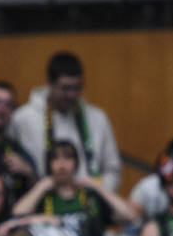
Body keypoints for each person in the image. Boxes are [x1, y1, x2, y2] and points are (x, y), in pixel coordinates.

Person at [11, 140, 139, 236]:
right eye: (55, 158)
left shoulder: (90, 198)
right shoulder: (44, 199)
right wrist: (41, 186)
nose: (61, 164)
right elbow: (17, 214)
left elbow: (130, 215)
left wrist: (98, 188)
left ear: (76, 163)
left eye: (67, 157)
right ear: (49, 164)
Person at [10, 52, 121, 191]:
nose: (72, 95)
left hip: (90, 205)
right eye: (66, 88)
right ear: (49, 83)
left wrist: (95, 192)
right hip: (42, 205)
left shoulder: (97, 118)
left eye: (77, 88)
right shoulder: (23, 118)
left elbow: (113, 170)